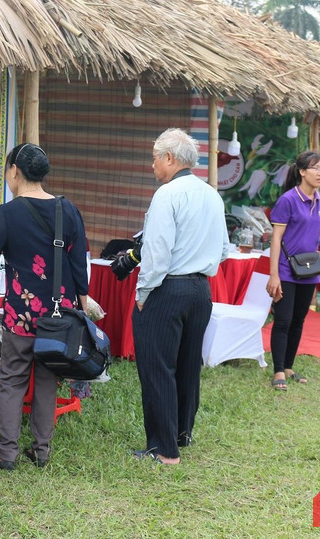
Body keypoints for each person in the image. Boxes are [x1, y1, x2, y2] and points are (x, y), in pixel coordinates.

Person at [0, 143, 88, 470]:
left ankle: (7, 453)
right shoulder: (67, 210)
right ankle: (41, 452)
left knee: (13, 380)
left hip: (21, 317)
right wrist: (82, 315)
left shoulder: (5, 213)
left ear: (15, 171)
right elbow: (79, 269)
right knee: (46, 381)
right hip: (59, 317)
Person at [131, 128, 229, 465]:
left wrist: (144, 292)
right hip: (201, 289)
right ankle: (181, 434)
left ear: (169, 158)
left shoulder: (167, 194)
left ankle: (164, 450)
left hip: (168, 287)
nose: (152, 165)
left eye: (155, 158)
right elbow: (225, 249)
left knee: (158, 367)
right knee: (188, 366)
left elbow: (156, 252)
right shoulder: (212, 195)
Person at [266, 151, 320, 391]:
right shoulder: (288, 200)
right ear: (302, 172)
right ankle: (278, 370)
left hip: (309, 271)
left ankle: (288, 366)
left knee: (298, 320)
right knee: (283, 320)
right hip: (286, 271)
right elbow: (276, 239)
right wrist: (274, 274)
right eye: (315, 168)